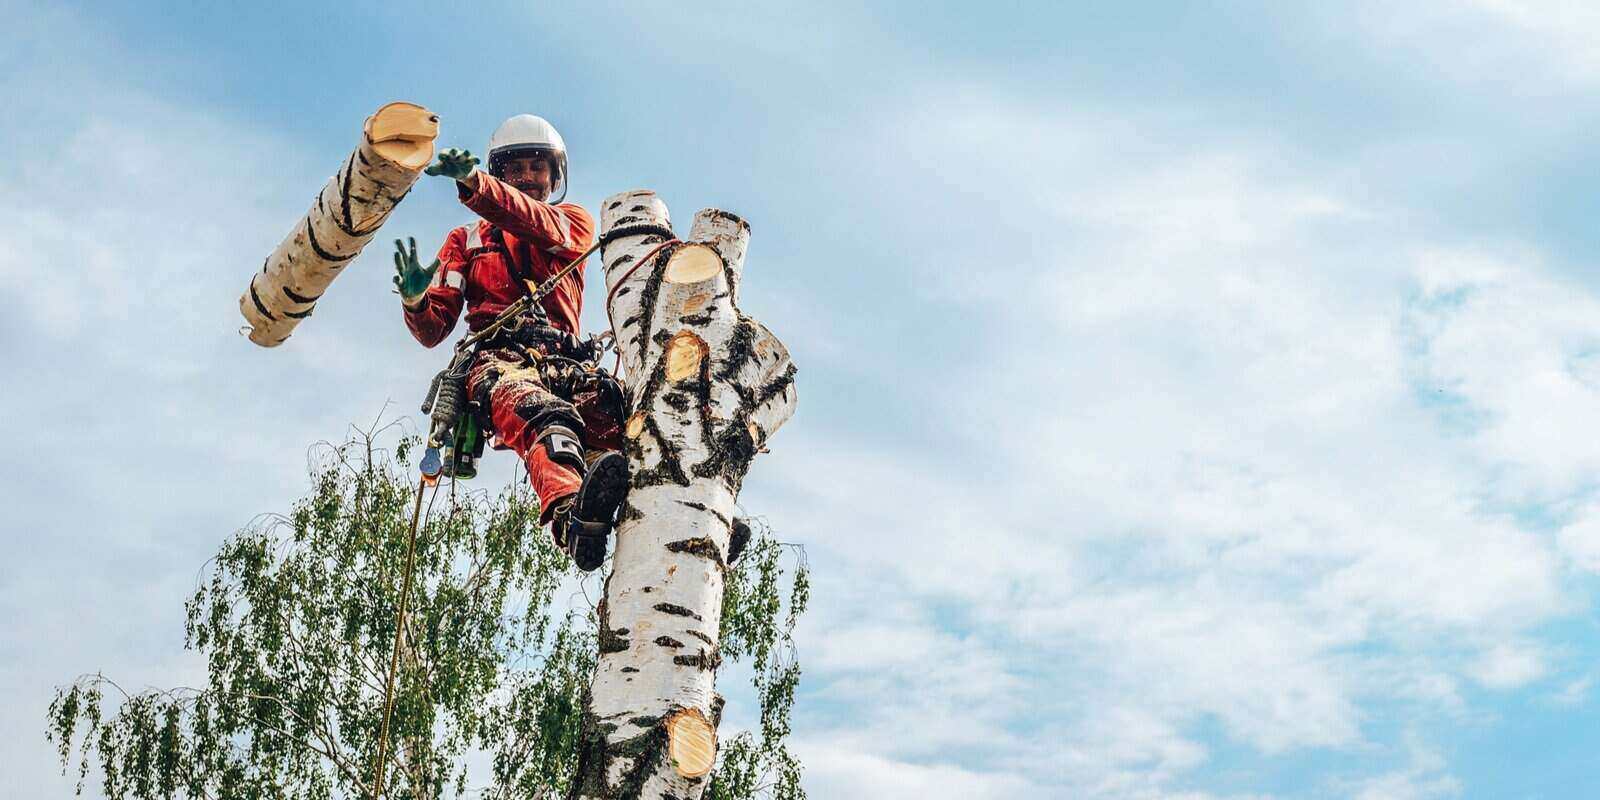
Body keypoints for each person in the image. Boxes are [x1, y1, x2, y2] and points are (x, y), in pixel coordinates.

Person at [392, 113, 627, 571]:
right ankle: (571, 520)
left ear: (554, 175)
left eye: (537, 167)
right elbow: (434, 328)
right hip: (498, 363)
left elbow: (531, 223)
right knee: (545, 417)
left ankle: (689, 512)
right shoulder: (465, 241)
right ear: (502, 173)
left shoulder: (570, 223)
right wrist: (418, 301)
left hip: (566, 360)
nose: (527, 178)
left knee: (628, 421)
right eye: (516, 168)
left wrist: (478, 186)